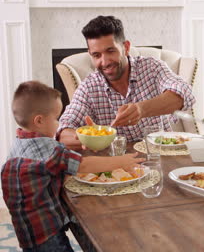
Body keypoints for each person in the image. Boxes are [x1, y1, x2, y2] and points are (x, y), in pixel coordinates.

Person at [2, 81, 145, 251]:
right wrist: (121, 162)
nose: (59, 124)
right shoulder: (49, 151)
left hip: (27, 230)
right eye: (56, 119)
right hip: (46, 232)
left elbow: (54, 164)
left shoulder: (19, 143)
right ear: (39, 120)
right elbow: (83, 165)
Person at [58, 15, 195, 150]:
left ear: (126, 47)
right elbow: (63, 131)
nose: (104, 62)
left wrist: (141, 109)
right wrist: (87, 136)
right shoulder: (89, 87)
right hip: (118, 165)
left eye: (111, 51)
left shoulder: (152, 68)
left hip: (161, 157)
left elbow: (185, 93)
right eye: (97, 55)